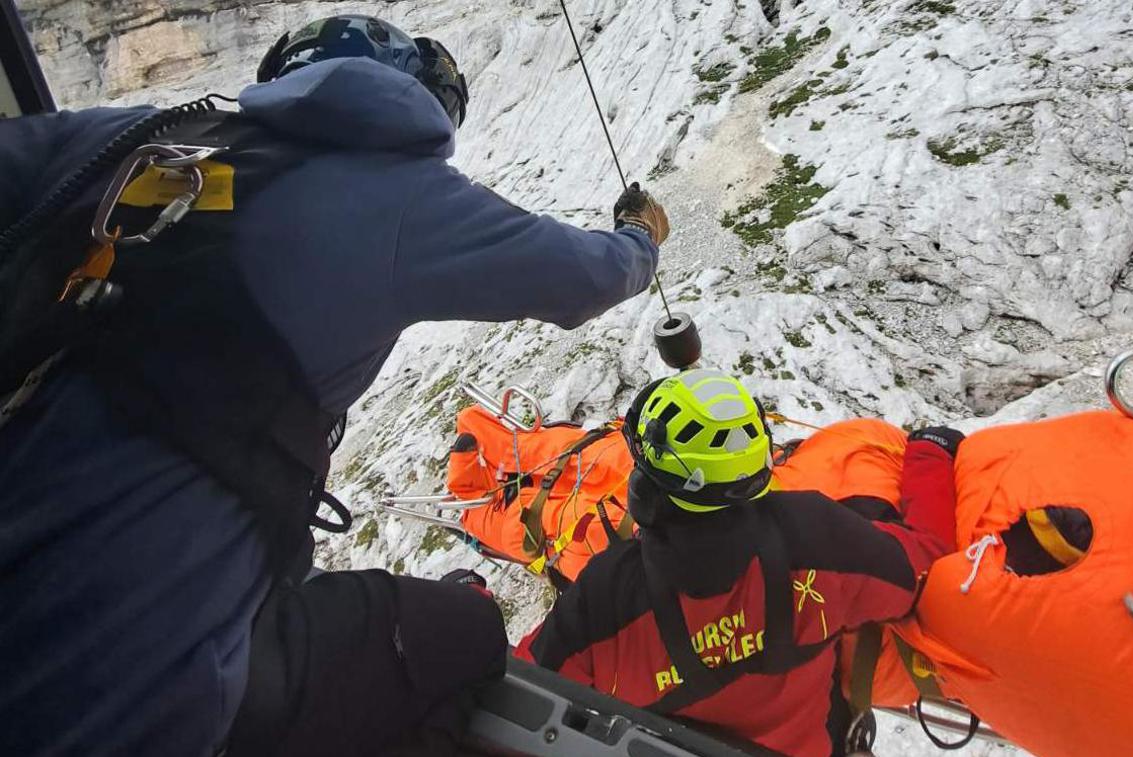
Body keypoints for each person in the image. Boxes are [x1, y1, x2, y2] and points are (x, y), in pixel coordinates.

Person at [0, 14, 668, 757]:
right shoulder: (404, 199)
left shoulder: (143, 143)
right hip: (127, 688)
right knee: (466, 628)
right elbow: (588, 275)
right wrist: (641, 235)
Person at [516, 369, 961, 756]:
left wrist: (469, 607)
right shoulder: (818, 537)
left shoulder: (605, 598)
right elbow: (921, 562)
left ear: (645, 492)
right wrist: (930, 452)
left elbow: (518, 692)